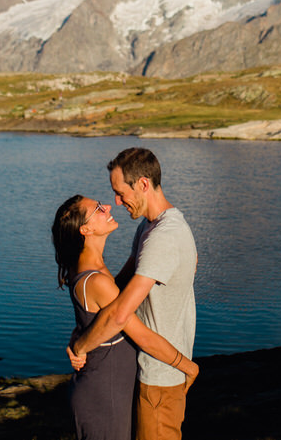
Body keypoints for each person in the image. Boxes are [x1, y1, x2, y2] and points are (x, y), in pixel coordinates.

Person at [69, 148, 198, 440]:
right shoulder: (150, 228)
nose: (116, 201)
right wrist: (83, 326)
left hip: (161, 376)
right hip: (149, 372)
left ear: (142, 184)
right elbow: (118, 289)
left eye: (119, 192)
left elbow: (119, 313)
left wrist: (81, 346)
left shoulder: (163, 236)